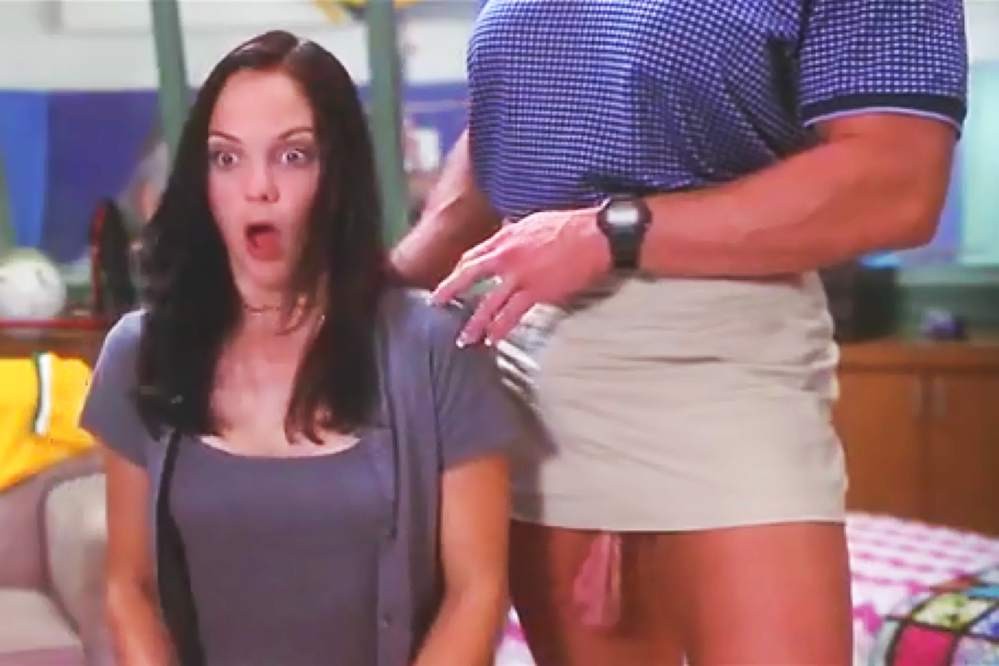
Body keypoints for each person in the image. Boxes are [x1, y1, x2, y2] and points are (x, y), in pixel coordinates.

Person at [392, 1, 967, 664]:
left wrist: (606, 233)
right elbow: (506, 128)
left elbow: (897, 182)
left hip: (724, 365)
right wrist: (376, 286)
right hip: (536, 373)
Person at [81, 30, 518, 666]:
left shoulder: (436, 348)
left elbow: (476, 593)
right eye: (226, 158)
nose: (258, 187)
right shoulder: (140, 353)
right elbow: (130, 588)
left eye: (293, 156)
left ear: (340, 172)